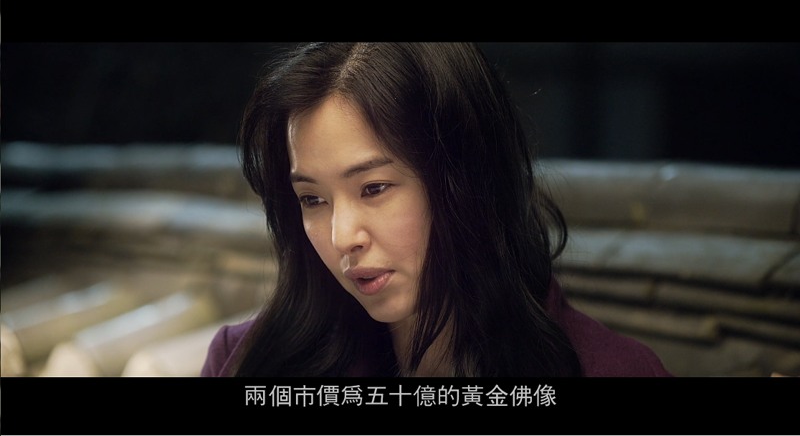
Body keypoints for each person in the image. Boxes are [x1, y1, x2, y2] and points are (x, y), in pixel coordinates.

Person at [201, 42, 672, 377]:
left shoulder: (613, 369)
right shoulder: (246, 361)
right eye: (313, 199)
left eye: (374, 188)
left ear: (465, 180)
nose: (343, 237)